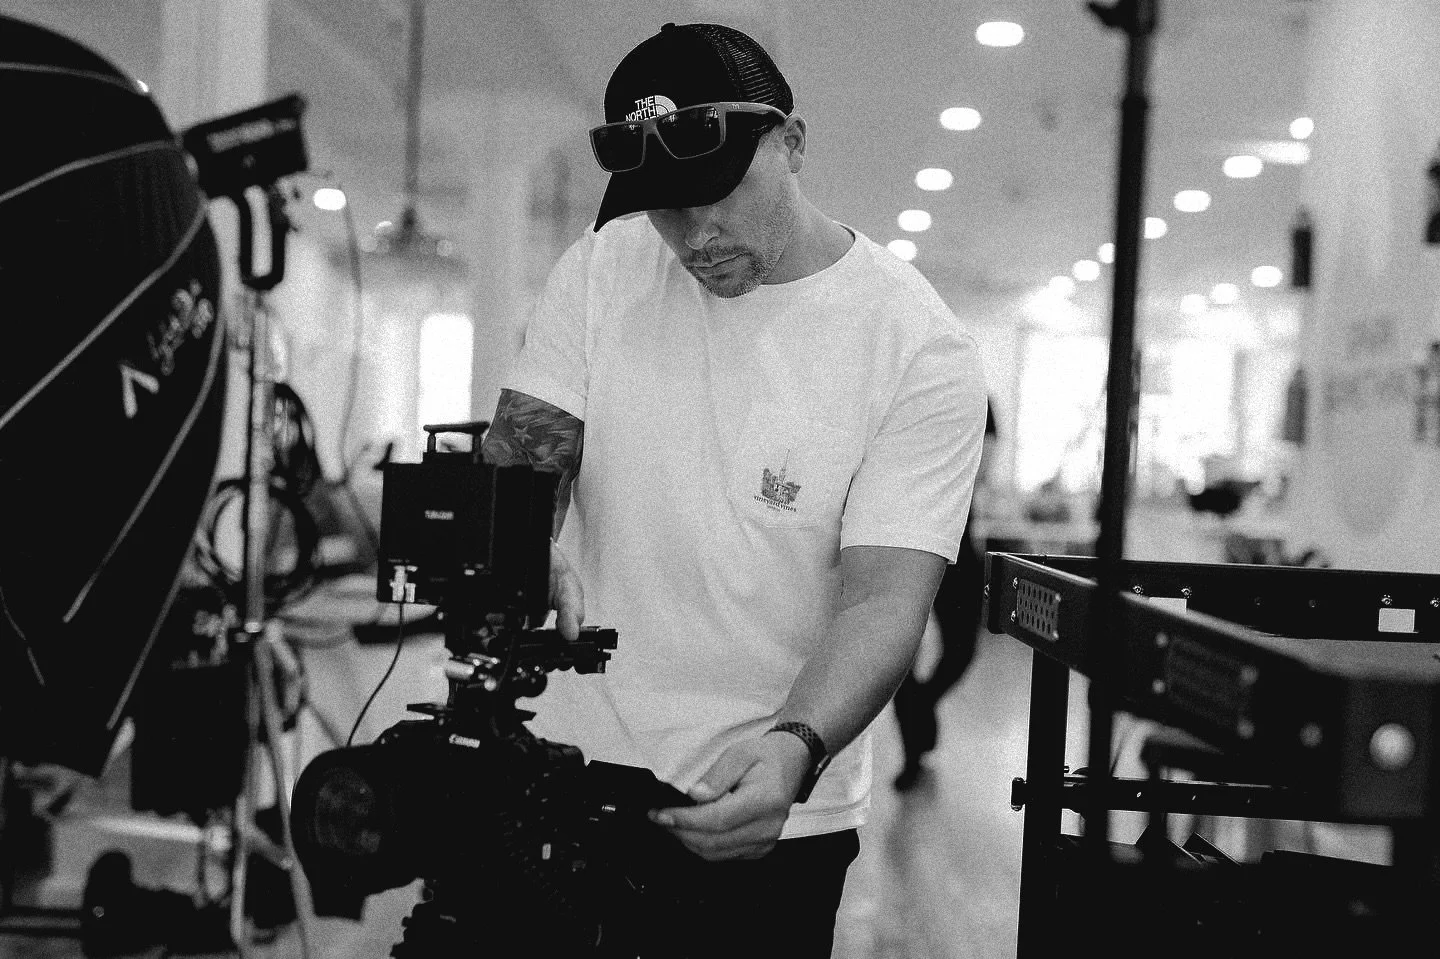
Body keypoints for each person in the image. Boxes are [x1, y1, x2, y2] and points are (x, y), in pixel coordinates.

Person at [480, 21, 987, 958]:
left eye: (719, 193)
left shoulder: (918, 347)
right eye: (667, 207)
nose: (695, 234)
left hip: (769, 801)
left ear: (791, 142)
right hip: (560, 767)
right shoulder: (604, 266)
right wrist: (525, 546)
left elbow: (885, 598)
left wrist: (796, 745)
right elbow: (525, 463)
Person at [892, 401, 998, 792]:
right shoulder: (902, 394)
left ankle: (923, 704)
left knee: (962, 650)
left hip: (957, 544)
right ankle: (911, 758)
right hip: (902, 541)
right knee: (898, 653)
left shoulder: (979, 399)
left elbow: (984, 466)